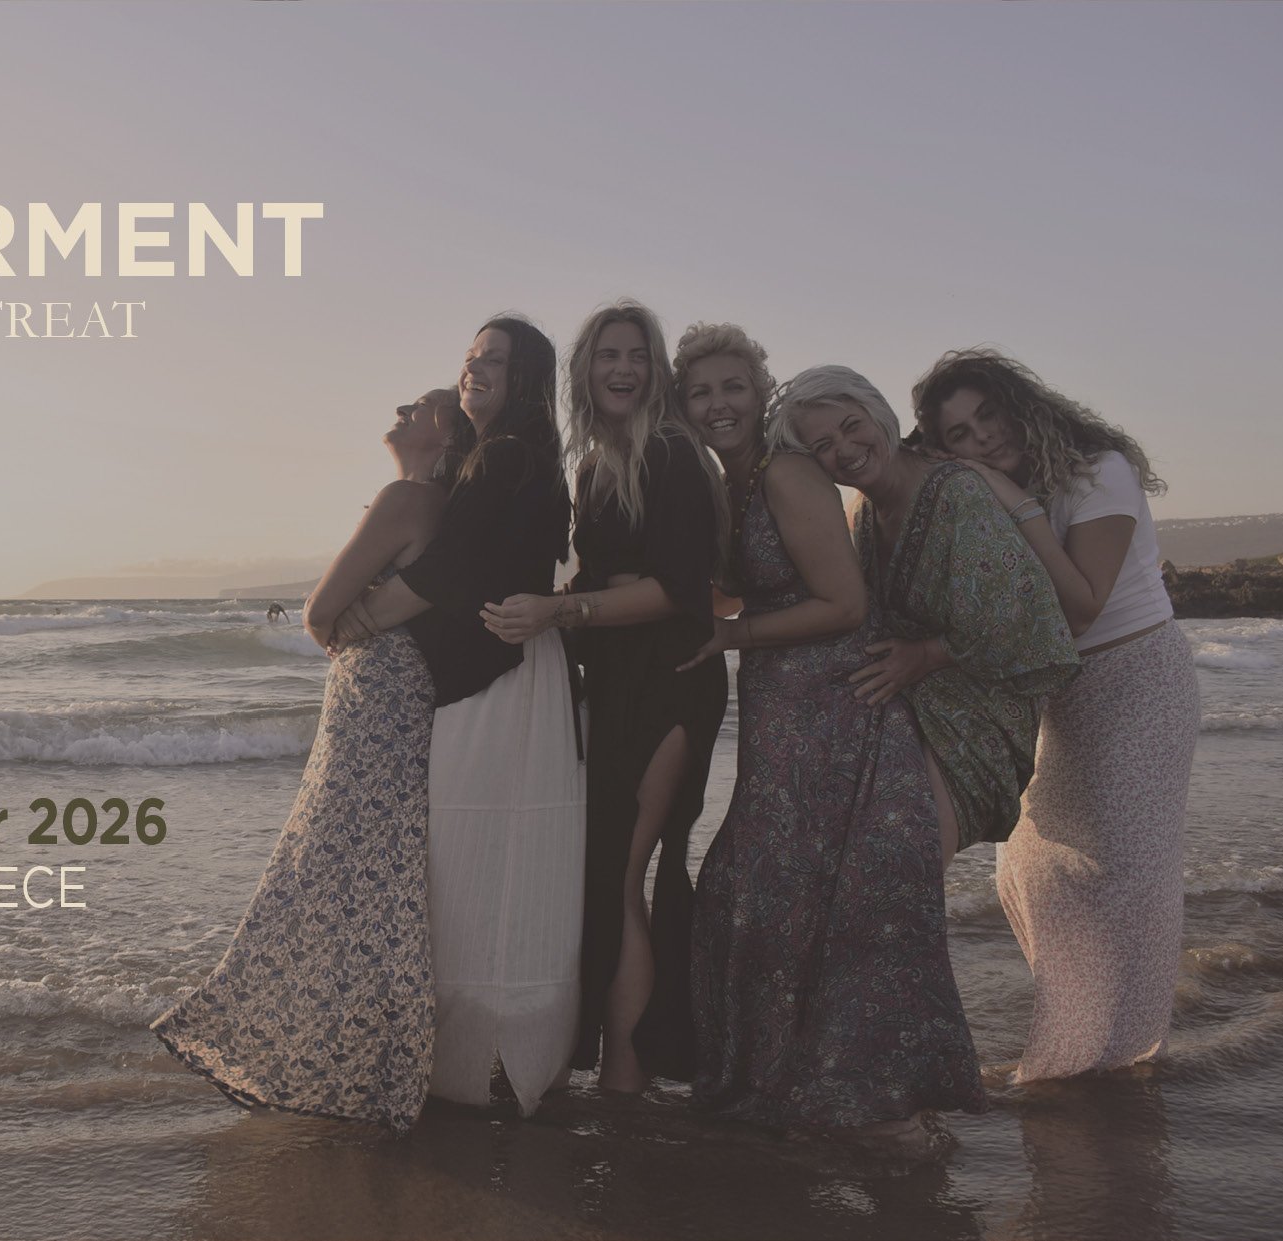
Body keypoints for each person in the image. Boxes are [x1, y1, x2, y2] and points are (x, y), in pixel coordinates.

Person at [673, 326, 983, 1144]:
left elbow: (843, 604)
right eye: (701, 391)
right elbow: (746, 588)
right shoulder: (729, 483)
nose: (718, 404)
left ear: (757, 391)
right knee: (762, 893)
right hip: (782, 708)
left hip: (838, 705)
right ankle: (790, 1080)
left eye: (733, 386)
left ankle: (878, 1098)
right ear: (683, 404)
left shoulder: (784, 470)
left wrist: (728, 637)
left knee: (842, 899)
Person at [151, 387, 470, 1132]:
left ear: (445, 434)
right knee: (373, 874)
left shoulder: (405, 496)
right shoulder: (440, 508)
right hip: (400, 693)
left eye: (420, 405)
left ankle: (323, 1057)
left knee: (326, 866)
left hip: (375, 694)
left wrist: (335, 620)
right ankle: (370, 1058)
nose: (401, 409)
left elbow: (318, 610)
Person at [914, 348, 1199, 1081]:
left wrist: (1014, 503)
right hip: (1058, 692)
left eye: (987, 416)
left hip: (1135, 678)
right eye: (958, 436)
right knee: (1032, 864)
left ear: (1019, 405)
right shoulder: (994, 494)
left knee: (1125, 873)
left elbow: (1080, 601)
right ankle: (1078, 1039)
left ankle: (1117, 1054)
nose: (980, 439)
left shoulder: (1094, 469)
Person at [329, 316, 581, 1115]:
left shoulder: (507, 455)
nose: (475, 371)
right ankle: (485, 1063)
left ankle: (482, 1068)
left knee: (482, 856)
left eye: (495, 362)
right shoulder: (491, 458)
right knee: (485, 858)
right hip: (506, 671)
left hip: (503, 679)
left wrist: (357, 620)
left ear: (528, 377)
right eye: (471, 359)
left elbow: (450, 567)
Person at [480, 301, 725, 1093]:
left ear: (655, 370)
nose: (622, 369)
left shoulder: (672, 451)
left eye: (637, 356)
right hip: (614, 679)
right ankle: (634, 1056)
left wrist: (562, 609)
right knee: (608, 871)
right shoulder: (593, 464)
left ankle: (626, 1068)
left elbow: (678, 590)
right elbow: (595, 584)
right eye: (606, 356)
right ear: (584, 372)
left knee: (624, 871)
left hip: (670, 679)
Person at [774, 365, 1079, 867]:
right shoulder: (865, 516)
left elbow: (1027, 617)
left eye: (852, 425)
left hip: (980, 716)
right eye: (823, 445)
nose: (845, 449)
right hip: (910, 708)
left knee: (899, 869)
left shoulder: (957, 493)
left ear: (879, 414)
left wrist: (926, 654)